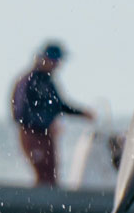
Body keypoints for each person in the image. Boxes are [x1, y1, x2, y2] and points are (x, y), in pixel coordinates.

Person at [10, 42, 94, 187]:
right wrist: (44, 123)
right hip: (31, 134)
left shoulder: (48, 82)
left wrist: (82, 113)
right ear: (44, 59)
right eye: (55, 61)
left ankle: (49, 204)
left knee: (51, 174)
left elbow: (59, 105)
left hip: (47, 135)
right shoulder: (28, 81)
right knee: (42, 172)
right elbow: (20, 113)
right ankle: (37, 204)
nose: (57, 65)